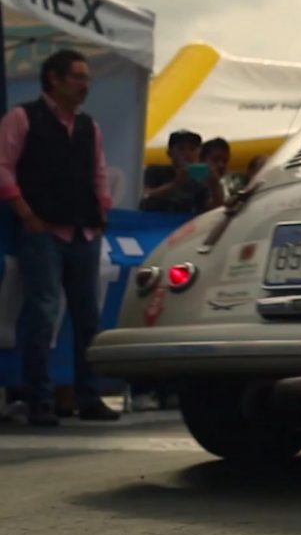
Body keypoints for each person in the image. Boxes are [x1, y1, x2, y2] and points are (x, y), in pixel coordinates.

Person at [0, 49, 120, 425]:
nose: (85, 85)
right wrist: (27, 214)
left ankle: (89, 396)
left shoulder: (89, 127)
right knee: (44, 313)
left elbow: (99, 172)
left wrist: (101, 212)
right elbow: (3, 168)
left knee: (87, 317)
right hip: (44, 230)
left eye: (86, 78)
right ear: (54, 78)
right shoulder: (22, 117)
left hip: (83, 231)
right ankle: (39, 400)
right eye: (78, 77)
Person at [139, 129, 208, 215]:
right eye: (181, 148)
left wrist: (214, 184)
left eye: (192, 149)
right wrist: (175, 184)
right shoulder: (155, 171)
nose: (187, 153)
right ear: (170, 152)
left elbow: (209, 210)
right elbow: (143, 196)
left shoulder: (199, 181)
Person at [200, 137, 230, 210]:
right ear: (202, 161)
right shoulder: (195, 187)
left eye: (225, 161)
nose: (221, 165)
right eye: (215, 160)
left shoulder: (229, 185)